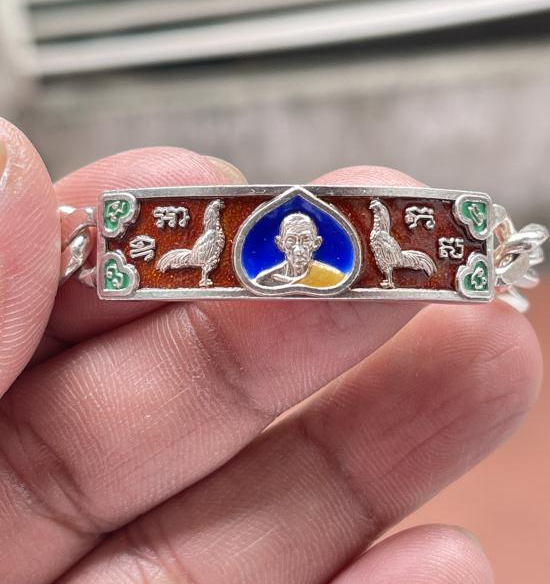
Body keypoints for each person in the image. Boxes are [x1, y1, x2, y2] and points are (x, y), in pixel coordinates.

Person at [0, 117, 541, 584]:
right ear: (279, 242)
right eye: (292, 240)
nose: (301, 247)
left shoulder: (333, 269)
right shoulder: (255, 269)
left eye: (309, 240)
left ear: (318, 243)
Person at [254, 212, 345, 288]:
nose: (298, 250)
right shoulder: (264, 281)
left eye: (306, 240)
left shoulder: (334, 278)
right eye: (291, 241)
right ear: (281, 244)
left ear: (316, 243)